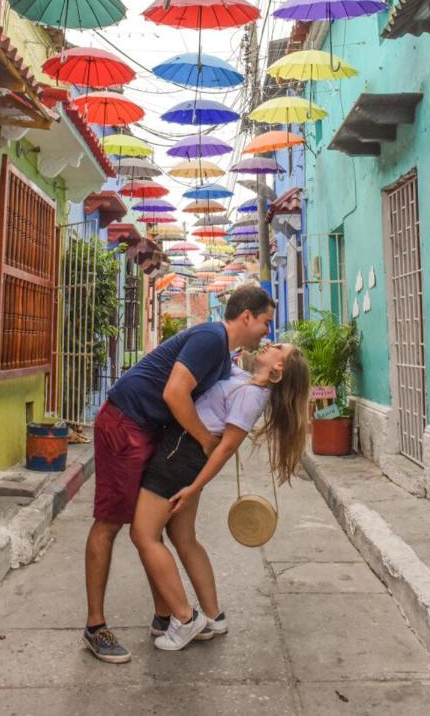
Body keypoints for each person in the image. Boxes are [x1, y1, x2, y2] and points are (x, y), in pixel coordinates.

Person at [84, 284, 276, 664]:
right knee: (110, 523)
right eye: (266, 323)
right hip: (125, 422)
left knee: (150, 529)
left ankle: (167, 615)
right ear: (247, 317)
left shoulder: (224, 356)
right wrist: (206, 441)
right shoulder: (210, 338)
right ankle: (96, 626)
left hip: (149, 429)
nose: (267, 333)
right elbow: (175, 394)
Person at [130, 342, 311, 652]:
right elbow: (226, 360)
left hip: (181, 455)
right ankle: (214, 616)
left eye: (278, 348)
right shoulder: (245, 379)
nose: (270, 343)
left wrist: (193, 486)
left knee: (143, 535)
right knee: (183, 537)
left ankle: (185, 620)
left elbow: (226, 447)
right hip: (185, 454)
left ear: (278, 369)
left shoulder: (253, 396)